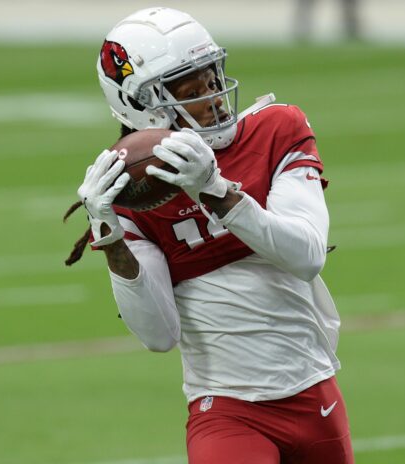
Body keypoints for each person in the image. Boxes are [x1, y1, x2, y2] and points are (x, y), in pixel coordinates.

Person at [66, 7, 354, 463]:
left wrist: (217, 192)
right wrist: (111, 236)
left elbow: (307, 255)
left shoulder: (276, 128)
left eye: (212, 78)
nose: (216, 98)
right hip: (226, 408)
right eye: (191, 91)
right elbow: (158, 335)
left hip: (314, 388)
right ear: (145, 105)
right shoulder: (132, 194)